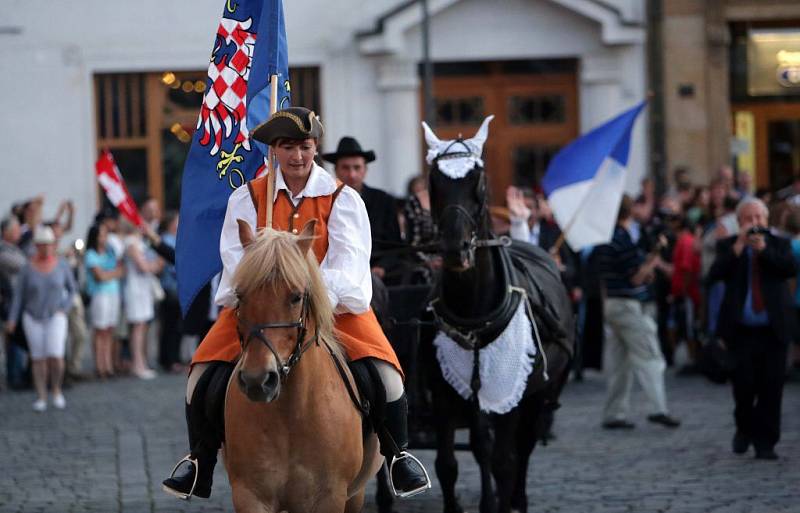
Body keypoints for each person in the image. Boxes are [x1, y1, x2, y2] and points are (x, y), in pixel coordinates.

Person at [163, 107, 430, 500]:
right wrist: (265, 285)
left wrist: (307, 293)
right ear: (274, 151)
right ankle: (199, 460)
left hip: (333, 308)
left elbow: (350, 266)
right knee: (200, 375)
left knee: (385, 374)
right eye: (287, 147)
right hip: (260, 308)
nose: (297, 156)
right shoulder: (248, 197)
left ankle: (396, 455)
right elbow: (234, 257)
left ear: (315, 148)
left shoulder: (343, 199)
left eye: (304, 147)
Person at [707, 198, 796, 460]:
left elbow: (788, 269)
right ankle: (744, 428)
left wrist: (764, 250)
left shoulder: (779, 244)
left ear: (767, 221)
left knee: (772, 387)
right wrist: (738, 246)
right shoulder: (729, 246)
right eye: (749, 218)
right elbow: (714, 274)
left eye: (759, 218)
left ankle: (766, 442)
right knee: (743, 387)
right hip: (741, 331)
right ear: (739, 221)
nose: (755, 223)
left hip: (772, 329)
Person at [594, 195, 681, 430]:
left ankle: (614, 414)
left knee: (619, 364)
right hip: (627, 305)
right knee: (650, 357)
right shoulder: (622, 239)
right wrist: (653, 259)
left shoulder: (607, 237)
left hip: (613, 304)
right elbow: (637, 277)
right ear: (629, 211)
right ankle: (658, 409)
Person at [6, 227, 77, 411]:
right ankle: (41, 395)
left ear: (53, 246)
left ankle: (56, 389)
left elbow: (72, 289)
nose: (46, 249)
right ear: (36, 246)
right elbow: (19, 296)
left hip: (55, 315)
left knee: (56, 355)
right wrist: (12, 319)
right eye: (42, 245)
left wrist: (65, 308)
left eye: (49, 245)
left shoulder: (62, 265)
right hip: (33, 316)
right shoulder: (27, 268)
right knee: (38, 358)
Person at [322, 136, 403, 284]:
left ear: (365, 170)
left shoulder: (384, 201)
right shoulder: (324, 201)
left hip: (379, 277)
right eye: (345, 168)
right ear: (336, 170)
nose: (352, 174)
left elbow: (395, 246)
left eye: (357, 167)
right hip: (335, 275)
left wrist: (381, 267)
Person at [122, 222, 163, 379]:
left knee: (143, 326)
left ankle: (141, 361)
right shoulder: (131, 242)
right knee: (138, 327)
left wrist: (155, 265)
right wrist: (157, 264)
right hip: (135, 289)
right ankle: (137, 364)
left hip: (143, 289)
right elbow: (143, 266)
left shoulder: (139, 241)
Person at [85, 223, 124, 379]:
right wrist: (112, 273)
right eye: (101, 235)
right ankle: (100, 366)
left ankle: (107, 365)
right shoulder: (90, 254)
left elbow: (117, 271)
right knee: (100, 331)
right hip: (99, 295)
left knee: (109, 330)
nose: (104, 238)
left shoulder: (109, 252)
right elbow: (99, 277)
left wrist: (109, 274)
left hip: (112, 293)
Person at [0, 215, 29, 389]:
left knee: (16, 339)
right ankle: (14, 376)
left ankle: (17, 374)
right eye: (16, 229)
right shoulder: (4, 251)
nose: (19, 232)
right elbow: (24, 266)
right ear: (6, 232)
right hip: (9, 303)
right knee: (14, 339)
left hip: (16, 302)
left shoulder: (14, 248)